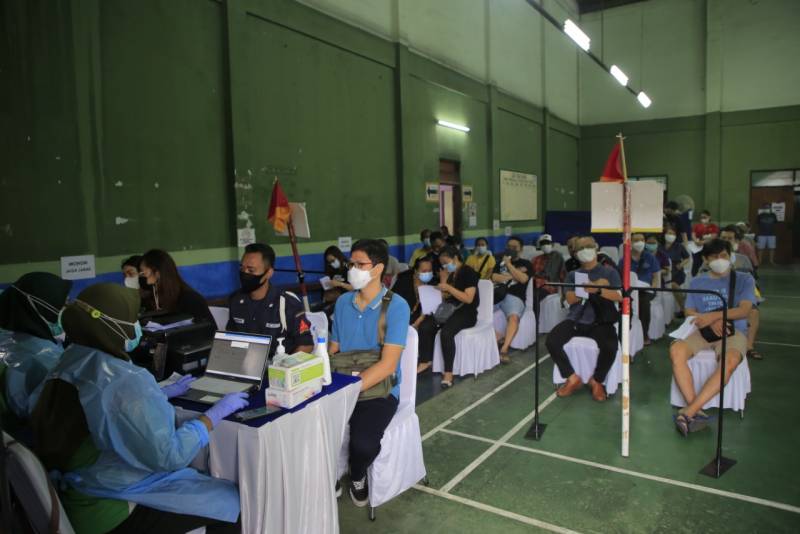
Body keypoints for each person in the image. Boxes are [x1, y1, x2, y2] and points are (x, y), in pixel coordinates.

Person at [31, 283, 246, 533]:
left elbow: (101, 406)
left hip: (76, 496)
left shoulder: (69, 360)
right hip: (110, 511)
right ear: (114, 326)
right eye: (133, 319)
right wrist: (211, 416)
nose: (138, 326)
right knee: (231, 503)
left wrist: (155, 395)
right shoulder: (124, 380)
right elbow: (170, 456)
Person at [329, 239, 410, 507]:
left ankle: (357, 474)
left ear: (377, 269)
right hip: (342, 382)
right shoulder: (343, 302)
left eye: (359, 264)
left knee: (363, 445)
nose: (352, 269)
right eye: (350, 263)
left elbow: (388, 365)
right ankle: (329, 474)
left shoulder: (396, 306)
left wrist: (348, 389)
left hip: (379, 389)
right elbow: (334, 348)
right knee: (310, 430)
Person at [669, 239, 755, 436]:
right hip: (702, 329)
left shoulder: (744, 279)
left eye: (723, 255)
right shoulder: (697, 282)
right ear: (706, 260)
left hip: (733, 331)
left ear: (730, 256)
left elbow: (744, 310)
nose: (719, 260)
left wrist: (715, 316)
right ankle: (696, 410)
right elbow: (689, 311)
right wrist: (708, 321)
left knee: (730, 361)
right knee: (676, 351)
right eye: (714, 257)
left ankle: (688, 412)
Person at [545, 236, 622, 401]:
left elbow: (619, 296)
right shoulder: (573, 275)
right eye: (580, 248)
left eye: (588, 246)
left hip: (601, 321)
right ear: (575, 254)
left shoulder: (610, 272)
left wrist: (599, 290)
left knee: (610, 346)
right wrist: (587, 289)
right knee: (552, 341)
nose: (585, 250)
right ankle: (572, 378)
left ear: (596, 249)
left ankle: (597, 381)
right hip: (576, 319)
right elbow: (568, 299)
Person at [0, 273, 71, 427]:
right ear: (41, 310)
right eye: (63, 305)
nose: (67, 310)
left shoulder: (13, 340)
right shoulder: (45, 358)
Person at [227, 243, 314, 357]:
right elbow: (230, 339)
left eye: (251, 270)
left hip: (280, 364)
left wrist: (285, 365)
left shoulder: (287, 303)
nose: (245, 273)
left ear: (268, 273)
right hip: (246, 363)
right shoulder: (235, 300)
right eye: (242, 268)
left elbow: (306, 345)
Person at [417, 246, 479, 385]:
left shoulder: (468, 272)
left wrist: (449, 288)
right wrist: (443, 283)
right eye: (443, 264)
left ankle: (448, 372)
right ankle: (425, 361)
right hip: (449, 309)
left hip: (466, 312)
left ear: (455, 258)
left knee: (446, 333)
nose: (445, 266)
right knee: (425, 326)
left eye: (446, 262)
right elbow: (446, 296)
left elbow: (468, 298)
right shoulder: (451, 273)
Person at [139, 249, 214, 327]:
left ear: (157, 273)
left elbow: (211, 331)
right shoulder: (153, 300)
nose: (146, 281)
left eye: (144, 273)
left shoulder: (191, 299)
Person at [718, 226, 762, 360]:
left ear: (736, 241)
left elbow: (752, 280)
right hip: (718, 294)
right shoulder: (713, 257)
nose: (726, 240)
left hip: (740, 294)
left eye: (729, 238)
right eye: (723, 238)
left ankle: (748, 346)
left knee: (753, 312)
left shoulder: (743, 259)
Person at [492, 237, 532, 361]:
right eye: (509, 247)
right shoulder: (499, 263)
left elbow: (523, 279)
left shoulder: (526, 263)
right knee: (476, 312)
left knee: (514, 317)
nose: (511, 249)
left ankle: (504, 349)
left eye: (514, 247)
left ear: (521, 249)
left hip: (514, 297)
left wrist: (509, 265)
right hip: (497, 295)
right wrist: (514, 275)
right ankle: (499, 336)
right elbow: (494, 277)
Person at [619, 233, 660, 345]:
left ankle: (644, 334)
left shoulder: (650, 257)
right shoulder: (624, 259)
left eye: (642, 240)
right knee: (626, 302)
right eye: (636, 240)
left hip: (646, 290)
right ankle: (627, 334)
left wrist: (653, 286)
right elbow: (620, 276)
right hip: (630, 290)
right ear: (630, 242)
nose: (639, 242)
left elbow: (656, 275)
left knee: (643, 302)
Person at [392, 255, 435, 329]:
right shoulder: (404, 281)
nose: (427, 273)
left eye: (430, 271)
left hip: (422, 317)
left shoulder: (433, 283)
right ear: (416, 271)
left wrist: (417, 323)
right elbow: (394, 303)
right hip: (401, 315)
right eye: (424, 271)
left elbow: (430, 308)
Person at [661, 225, 691, 314]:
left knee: (673, 284)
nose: (671, 235)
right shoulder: (659, 246)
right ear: (664, 234)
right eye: (669, 233)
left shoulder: (679, 246)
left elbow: (687, 258)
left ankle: (683, 308)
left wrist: (681, 265)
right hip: (663, 272)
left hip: (677, 272)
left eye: (673, 234)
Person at [531, 233, 565, 303]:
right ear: (540, 246)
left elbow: (562, 276)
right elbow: (530, 274)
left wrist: (564, 294)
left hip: (548, 286)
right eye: (543, 243)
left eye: (547, 243)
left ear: (552, 244)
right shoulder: (536, 259)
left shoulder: (557, 257)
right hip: (534, 285)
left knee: (536, 295)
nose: (545, 245)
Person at [321, 245, 352, 316]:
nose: (332, 264)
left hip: (348, 300)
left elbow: (356, 288)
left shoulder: (349, 267)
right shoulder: (333, 270)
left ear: (338, 256)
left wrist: (340, 284)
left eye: (333, 261)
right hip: (337, 300)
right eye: (329, 262)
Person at [691, 210, 719, 276]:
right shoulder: (697, 226)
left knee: (707, 263)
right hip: (697, 248)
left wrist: (703, 242)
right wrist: (696, 241)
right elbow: (693, 234)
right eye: (701, 217)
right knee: (696, 263)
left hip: (708, 248)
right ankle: (694, 276)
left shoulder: (713, 226)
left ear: (709, 217)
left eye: (705, 217)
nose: (703, 219)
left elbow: (714, 236)